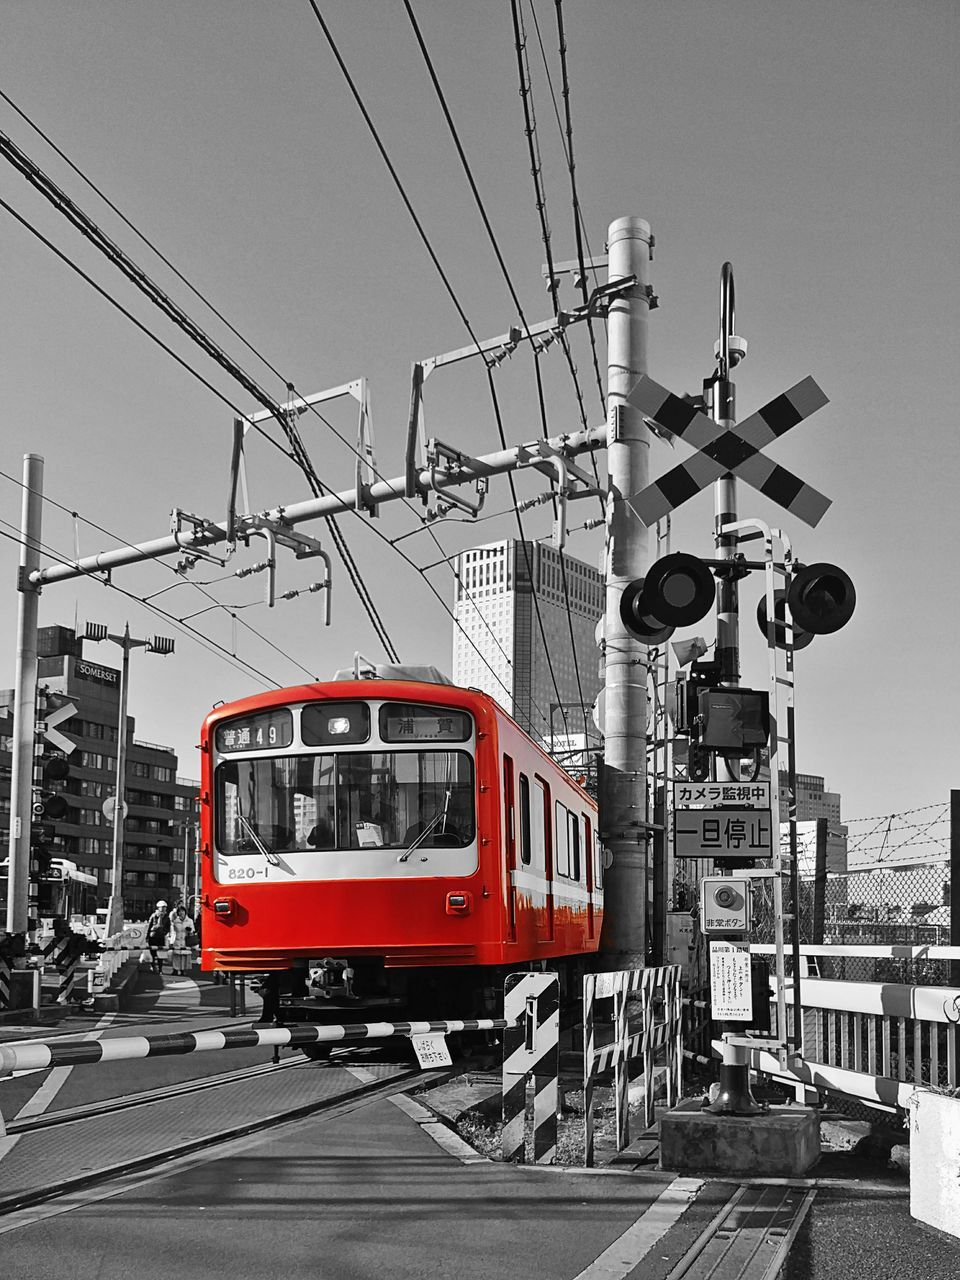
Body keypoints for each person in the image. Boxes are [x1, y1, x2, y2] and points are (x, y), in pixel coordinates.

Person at [166, 903, 196, 975]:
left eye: (182, 911)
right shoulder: (175, 921)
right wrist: (171, 941)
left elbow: (193, 930)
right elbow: (172, 931)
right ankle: (175, 970)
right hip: (177, 940)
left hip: (186, 941)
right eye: (179, 911)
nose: (181, 912)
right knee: (176, 956)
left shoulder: (190, 921)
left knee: (184, 956)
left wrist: (190, 930)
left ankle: (183, 970)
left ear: (185, 912)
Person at [145, 899, 171, 973]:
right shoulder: (153, 916)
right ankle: (153, 967)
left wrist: (164, 932)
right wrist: (147, 936)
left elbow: (168, 927)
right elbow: (149, 926)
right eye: (161, 907)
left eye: (164, 907)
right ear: (158, 907)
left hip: (161, 937)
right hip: (153, 936)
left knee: (161, 954)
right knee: (152, 953)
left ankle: (160, 969)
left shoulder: (167, 917)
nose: (163, 908)